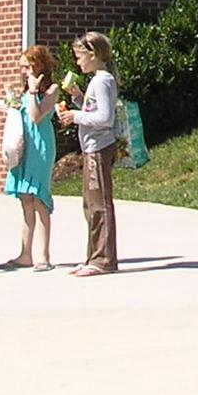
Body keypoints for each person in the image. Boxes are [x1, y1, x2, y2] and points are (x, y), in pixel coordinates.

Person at [55, 32, 119, 276]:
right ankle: (94, 255)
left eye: (80, 57)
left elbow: (105, 117)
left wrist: (75, 116)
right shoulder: (97, 81)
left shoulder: (102, 81)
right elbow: (95, 109)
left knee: (99, 204)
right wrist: (79, 98)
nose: (78, 62)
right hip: (91, 148)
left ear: (93, 55)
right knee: (90, 204)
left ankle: (103, 259)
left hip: (99, 148)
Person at [0, 45, 61, 271]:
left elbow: (36, 117)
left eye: (27, 66)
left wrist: (34, 92)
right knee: (25, 199)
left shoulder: (51, 90)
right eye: (22, 67)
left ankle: (43, 256)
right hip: (24, 148)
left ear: (39, 65)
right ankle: (25, 254)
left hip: (41, 148)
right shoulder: (25, 92)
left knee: (39, 200)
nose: (24, 71)